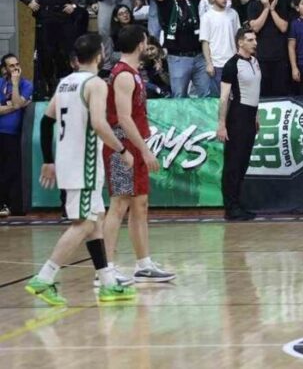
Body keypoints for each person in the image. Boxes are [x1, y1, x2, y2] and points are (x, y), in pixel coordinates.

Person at [25, 34, 137, 306]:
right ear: (99, 56)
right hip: (83, 165)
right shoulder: (95, 84)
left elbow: (46, 121)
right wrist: (122, 150)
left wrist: (48, 160)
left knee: (96, 221)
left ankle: (107, 283)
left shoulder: (65, 82)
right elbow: (99, 123)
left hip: (69, 161)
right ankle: (44, 277)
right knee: (84, 224)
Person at [101, 26, 175, 286]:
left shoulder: (133, 72)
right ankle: (105, 270)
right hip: (121, 146)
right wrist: (144, 149)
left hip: (134, 144)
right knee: (119, 204)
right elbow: (123, 118)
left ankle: (144, 265)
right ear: (140, 44)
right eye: (145, 40)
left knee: (140, 204)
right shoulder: (123, 74)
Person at [14, 0, 80, 99]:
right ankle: (49, 87)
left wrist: (73, 5)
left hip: (63, 16)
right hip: (45, 16)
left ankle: (66, 85)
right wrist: (28, 1)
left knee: (65, 52)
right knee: (46, 53)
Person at [143, 0, 205, 98]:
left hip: (199, 57)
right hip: (177, 58)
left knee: (207, 96)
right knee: (179, 97)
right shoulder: (167, 1)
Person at [216, 28, 261, 220]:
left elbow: (255, 90)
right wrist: (222, 124)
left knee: (243, 162)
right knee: (233, 163)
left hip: (250, 116)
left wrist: (256, 116)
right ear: (240, 42)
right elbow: (224, 97)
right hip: (238, 116)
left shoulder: (255, 61)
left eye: (255, 39)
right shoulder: (231, 65)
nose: (254, 43)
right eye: (250, 40)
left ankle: (238, 203)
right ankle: (230, 207)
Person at [0, 55, 32, 217]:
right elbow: (17, 104)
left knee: (11, 170)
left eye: (17, 64)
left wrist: (14, 84)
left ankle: (11, 205)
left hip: (13, 134)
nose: (15, 68)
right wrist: (14, 106)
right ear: (4, 69)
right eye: (11, 66)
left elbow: (18, 103)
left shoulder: (26, 85)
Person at [200, 0, 242, 93]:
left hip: (234, 61)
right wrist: (209, 63)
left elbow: (238, 37)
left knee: (236, 95)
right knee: (220, 97)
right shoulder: (207, 17)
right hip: (217, 64)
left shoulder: (233, 14)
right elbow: (205, 42)